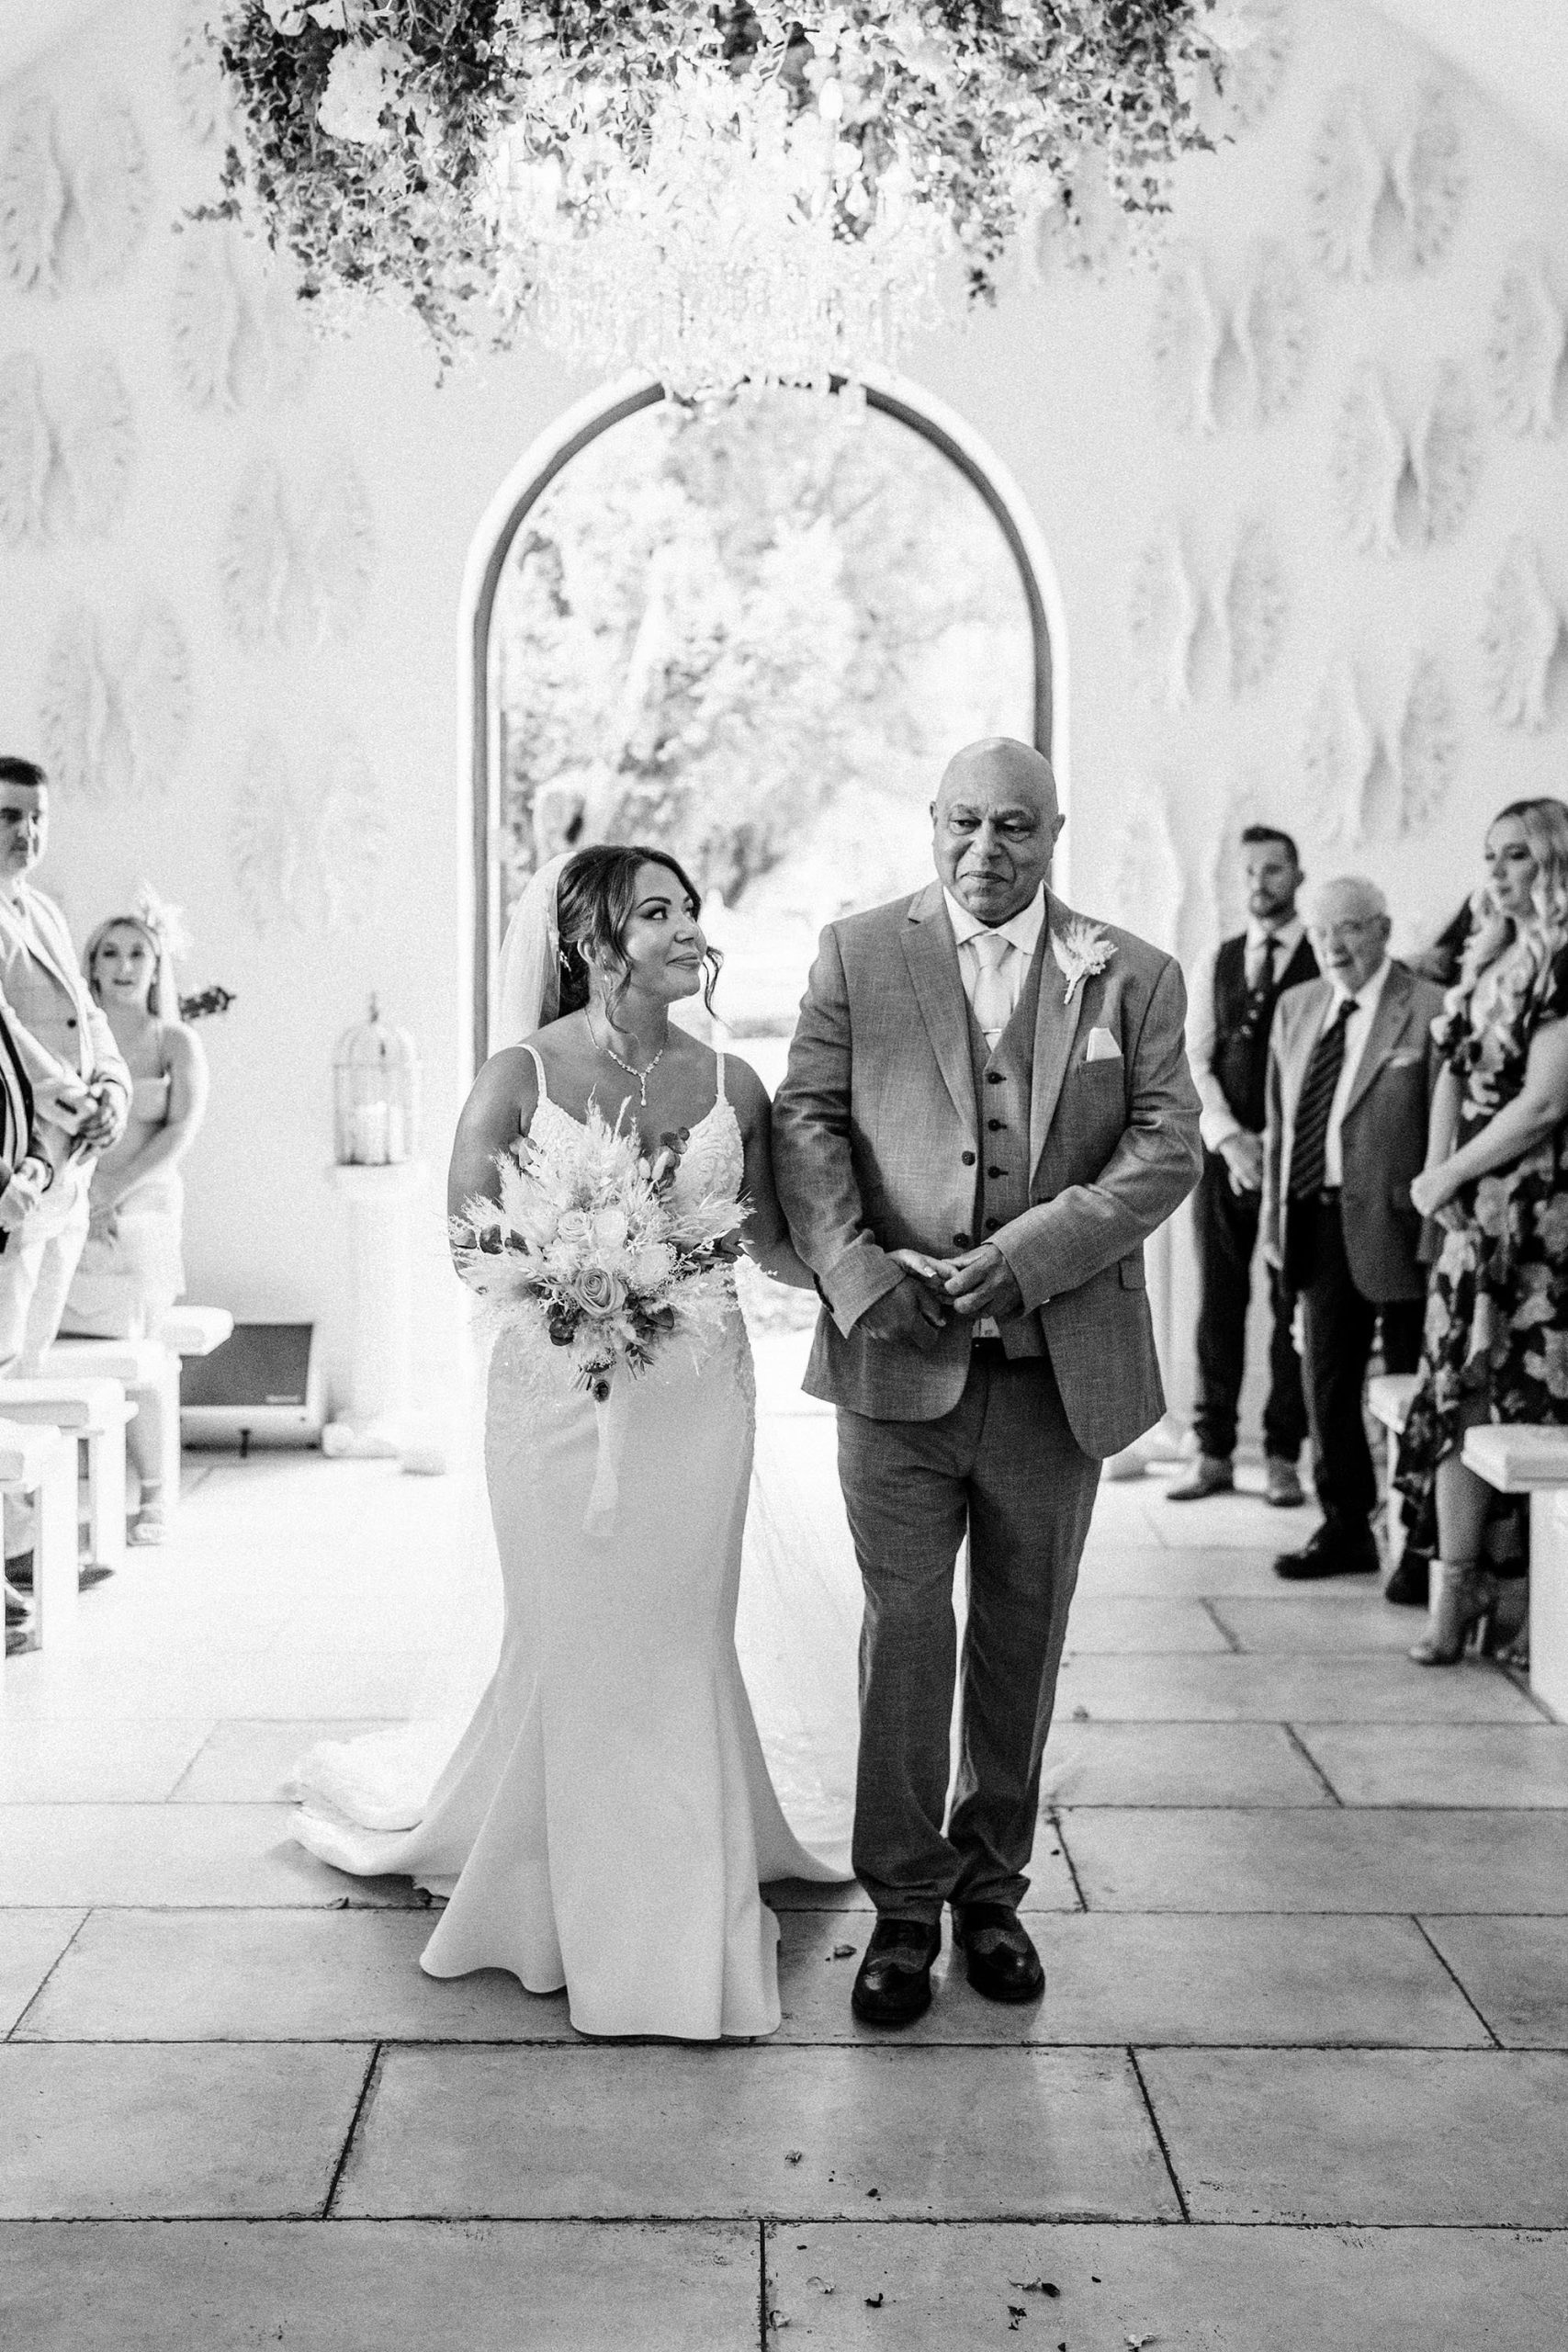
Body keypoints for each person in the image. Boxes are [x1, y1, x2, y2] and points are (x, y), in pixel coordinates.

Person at [292, 843, 842, 2040]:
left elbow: (773, 1246)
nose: (688, 927)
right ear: (592, 946)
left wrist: (881, 1288)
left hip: (698, 1398)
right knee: (573, 1630)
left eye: (690, 908)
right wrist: (582, 1284)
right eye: (657, 912)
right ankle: (551, 1883)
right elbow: (467, 1243)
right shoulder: (516, 1076)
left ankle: (682, 1885)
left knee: (677, 1629)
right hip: (550, 1402)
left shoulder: (736, 1085)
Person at [772, 737, 1202, 2029]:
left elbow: (1164, 1144)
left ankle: (990, 1891)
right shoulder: (855, 952)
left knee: (1022, 1631)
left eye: (1012, 826)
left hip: (1052, 1372)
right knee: (904, 1634)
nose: (984, 850)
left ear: (1053, 832)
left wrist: (1027, 1256)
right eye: (963, 823)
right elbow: (804, 1120)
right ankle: (901, 1913)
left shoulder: (1132, 972)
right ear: (929, 825)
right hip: (892, 1362)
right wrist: (854, 1275)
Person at [1398, 798, 1568, 1665]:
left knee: (1528, 1400)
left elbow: (1543, 1103)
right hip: (1471, 1218)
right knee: (1457, 1395)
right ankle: (1456, 1584)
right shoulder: (1488, 957)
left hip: (1541, 1219)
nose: (1496, 875)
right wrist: (1436, 1179)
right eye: (1489, 856)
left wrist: (1452, 1173)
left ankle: (1527, 1598)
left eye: (1515, 858)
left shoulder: (1563, 961)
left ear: (1551, 866)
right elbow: (1451, 1075)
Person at [1262, 876, 1444, 1582]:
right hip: (1314, 1216)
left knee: (1413, 1385)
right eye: (1318, 932)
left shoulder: (1427, 1008)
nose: (1330, 945)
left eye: (1346, 928)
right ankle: (1345, 1526)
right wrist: (1277, 1228)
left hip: (1403, 1226)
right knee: (1326, 1384)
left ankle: (1419, 1540)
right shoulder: (1295, 1007)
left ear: (1383, 928)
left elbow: (1444, 1127)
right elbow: (1280, 1131)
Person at [0, 758, 129, 1590]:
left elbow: (89, 1019)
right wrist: (71, 1103)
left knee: (27, 1366)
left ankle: (16, 1550)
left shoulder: (41, 910)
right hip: (21, 1165)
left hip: (66, 1178)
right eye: (9, 817)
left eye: (36, 818)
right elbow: (6, 1034)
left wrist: (111, 1089)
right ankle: (9, 1562)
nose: (25, 833)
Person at [1171, 824, 1316, 1506]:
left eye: (1275, 870)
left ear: (1298, 876)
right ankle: (1213, 1452)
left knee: (1293, 1309)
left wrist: (1280, 1152)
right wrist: (1229, 1139)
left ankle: (1284, 1455)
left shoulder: (1325, 958)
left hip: (1302, 1168)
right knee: (1218, 1310)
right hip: (1223, 1161)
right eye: (1251, 871)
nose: (1261, 882)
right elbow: (1191, 1061)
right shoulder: (1217, 961)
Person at [60, 898, 210, 1544]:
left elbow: (180, 1129)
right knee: (68, 1349)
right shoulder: (72, 1036)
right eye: (110, 953)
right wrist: (83, 1196)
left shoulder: (174, 1041)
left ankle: (153, 1495)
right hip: (74, 1199)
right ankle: (67, 1493)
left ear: (156, 967)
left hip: (144, 1202)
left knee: (140, 1346)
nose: (123, 967)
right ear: (90, 966)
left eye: (137, 954)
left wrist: (116, 1190)